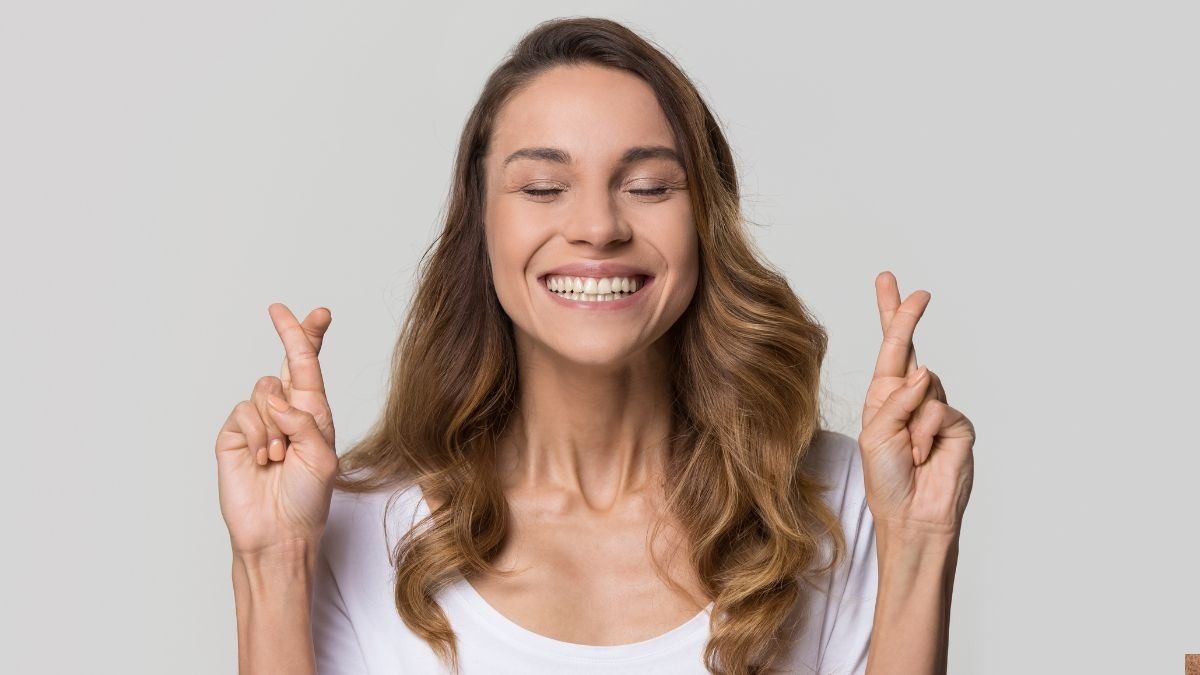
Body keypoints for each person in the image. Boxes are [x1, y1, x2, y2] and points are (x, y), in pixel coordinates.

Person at [214, 16, 976, 675]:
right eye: (544, 188)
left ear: (705, 225)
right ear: (481, 229)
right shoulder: (359, 520)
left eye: (647, 187)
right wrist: (272, 560)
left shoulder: (840, 497)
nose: (599, 228)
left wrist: (921, 539)